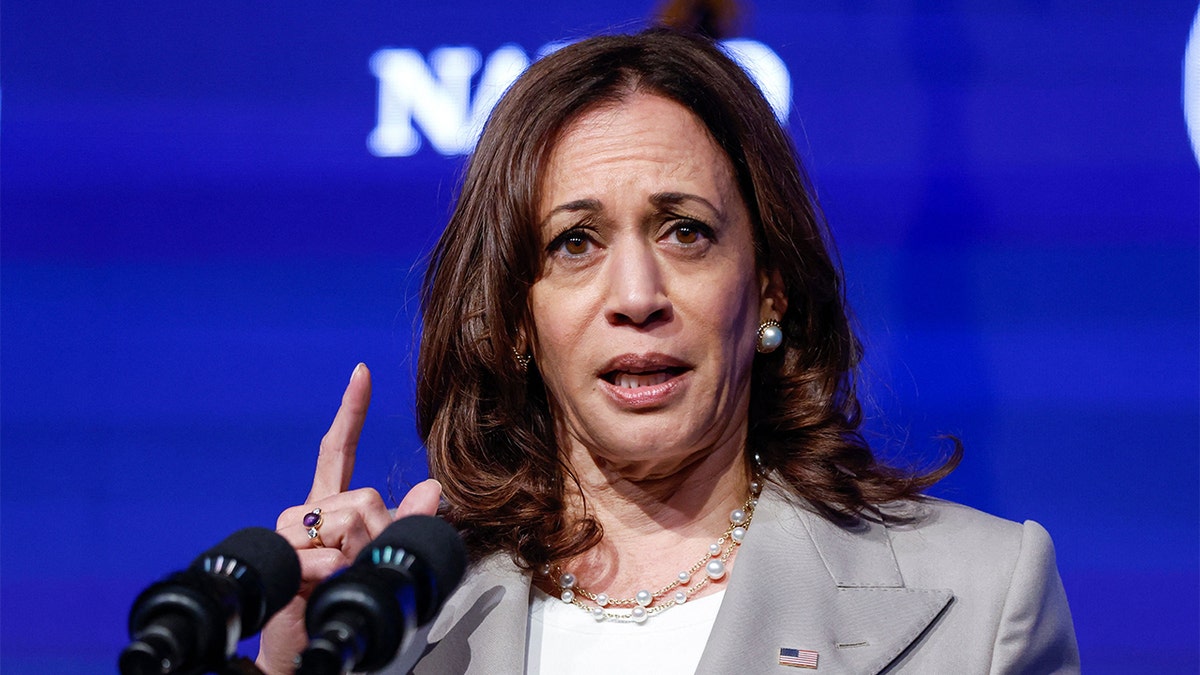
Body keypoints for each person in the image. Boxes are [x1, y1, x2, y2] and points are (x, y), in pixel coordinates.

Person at [258, 29, 1079, 674]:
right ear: (513, 316)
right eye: (575, 242)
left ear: (769, 288)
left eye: (685, 232)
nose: (637, 295)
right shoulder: (402, 621)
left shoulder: (982, 597)